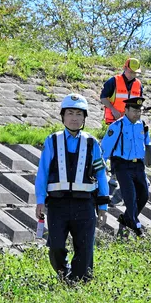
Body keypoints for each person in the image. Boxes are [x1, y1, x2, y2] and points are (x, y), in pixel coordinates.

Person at [35, 95, 110, 282]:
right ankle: (64, 273)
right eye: (70, 113)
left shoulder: (92, 143)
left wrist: (103, 206)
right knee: (56, 247)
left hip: (84, 204)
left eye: (78, 114)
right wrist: (39, 200)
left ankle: (77, 282)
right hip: (57, 204)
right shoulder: (52, 141)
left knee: (84, 247)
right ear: (63, 116)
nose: (74, 118)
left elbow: (101, 175)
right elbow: (42, 173)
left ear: (84, 118)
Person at [100, 96, 151, 237]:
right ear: (126, 110)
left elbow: (147, 143)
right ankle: (136, 226)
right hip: (122, 166)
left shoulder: (142, 125)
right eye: (134, 110)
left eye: (139, 111)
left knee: (144, 195)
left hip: (138, 166)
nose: (137, 114)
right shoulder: (117, 126)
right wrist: (101, 167)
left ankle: (128, 217)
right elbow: (105, 148)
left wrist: (148, 161)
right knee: (130, 197)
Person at [99, 57, 142, 124]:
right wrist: (113, 110)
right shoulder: (114, 81)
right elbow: (103, 97)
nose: (132, 75)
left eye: (135, 73)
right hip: (112, 121)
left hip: (130, 122)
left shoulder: (138, 84)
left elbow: (139, 102)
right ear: (124, 68)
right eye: (130, 72)